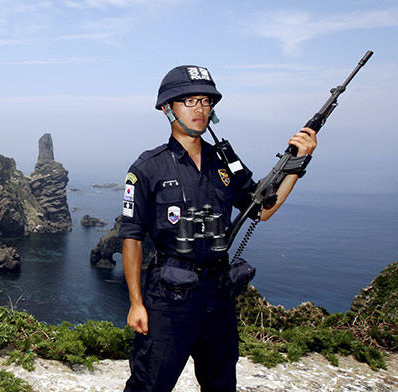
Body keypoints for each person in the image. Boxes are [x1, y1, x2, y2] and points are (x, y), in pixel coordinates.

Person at [119, 65, 317, 391]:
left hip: (218, 293)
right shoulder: (148, 167)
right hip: (169, 297)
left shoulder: (225, 162)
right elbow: (132, 238)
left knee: (221, 383)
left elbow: (262, 210)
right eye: (189, 101)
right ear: (167, 108)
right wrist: (136, 302)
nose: (200, 109)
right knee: (149, 384)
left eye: (206, 101)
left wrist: (297, 163)